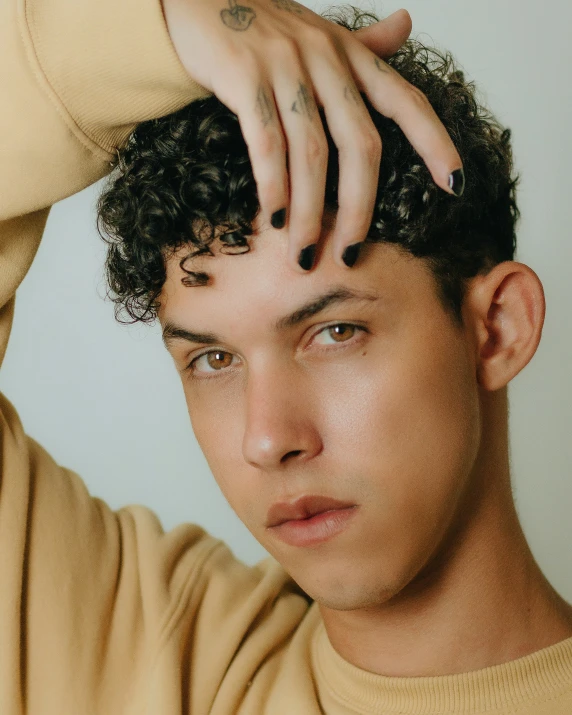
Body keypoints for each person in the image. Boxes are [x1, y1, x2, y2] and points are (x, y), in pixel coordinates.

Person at [1, 0, 570, 714]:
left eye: (334, 332)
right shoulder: (149, 651)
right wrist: (163, 23)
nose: (267, 437)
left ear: (498, 328)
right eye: (213, 358)